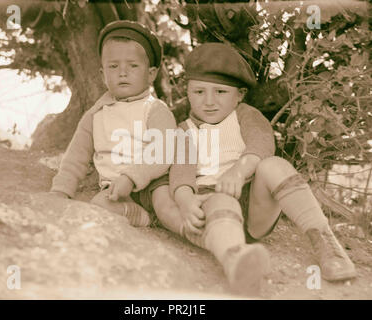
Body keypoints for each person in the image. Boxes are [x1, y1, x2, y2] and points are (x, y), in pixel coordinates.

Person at [154, 43, 357, 296]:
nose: (208, 101)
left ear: (239, 95)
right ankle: (236, 259)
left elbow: (262, 143)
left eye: (220, 91)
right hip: (214, 207)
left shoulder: (245, 115)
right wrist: (185, 200)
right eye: (198, 92)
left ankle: (324, 239)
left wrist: (239, 170)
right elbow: (181, 171)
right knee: (220, 200)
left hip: (254, 206)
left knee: (274, 166)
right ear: (187, 92)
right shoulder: (184, 130)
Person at [50, 20, 176, 227]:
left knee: (165, 204)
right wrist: (60, 191)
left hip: (154, 183)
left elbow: (163, 152)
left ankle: (162, 217)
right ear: (103, 75)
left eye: (133, 66)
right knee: (99, 205)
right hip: (115, 189)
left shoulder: (154, 109)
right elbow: (76, 156)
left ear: (151, 74)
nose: (122, 72)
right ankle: (140, 216)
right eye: (113, 66)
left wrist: (131, 177)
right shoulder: (96, 115)